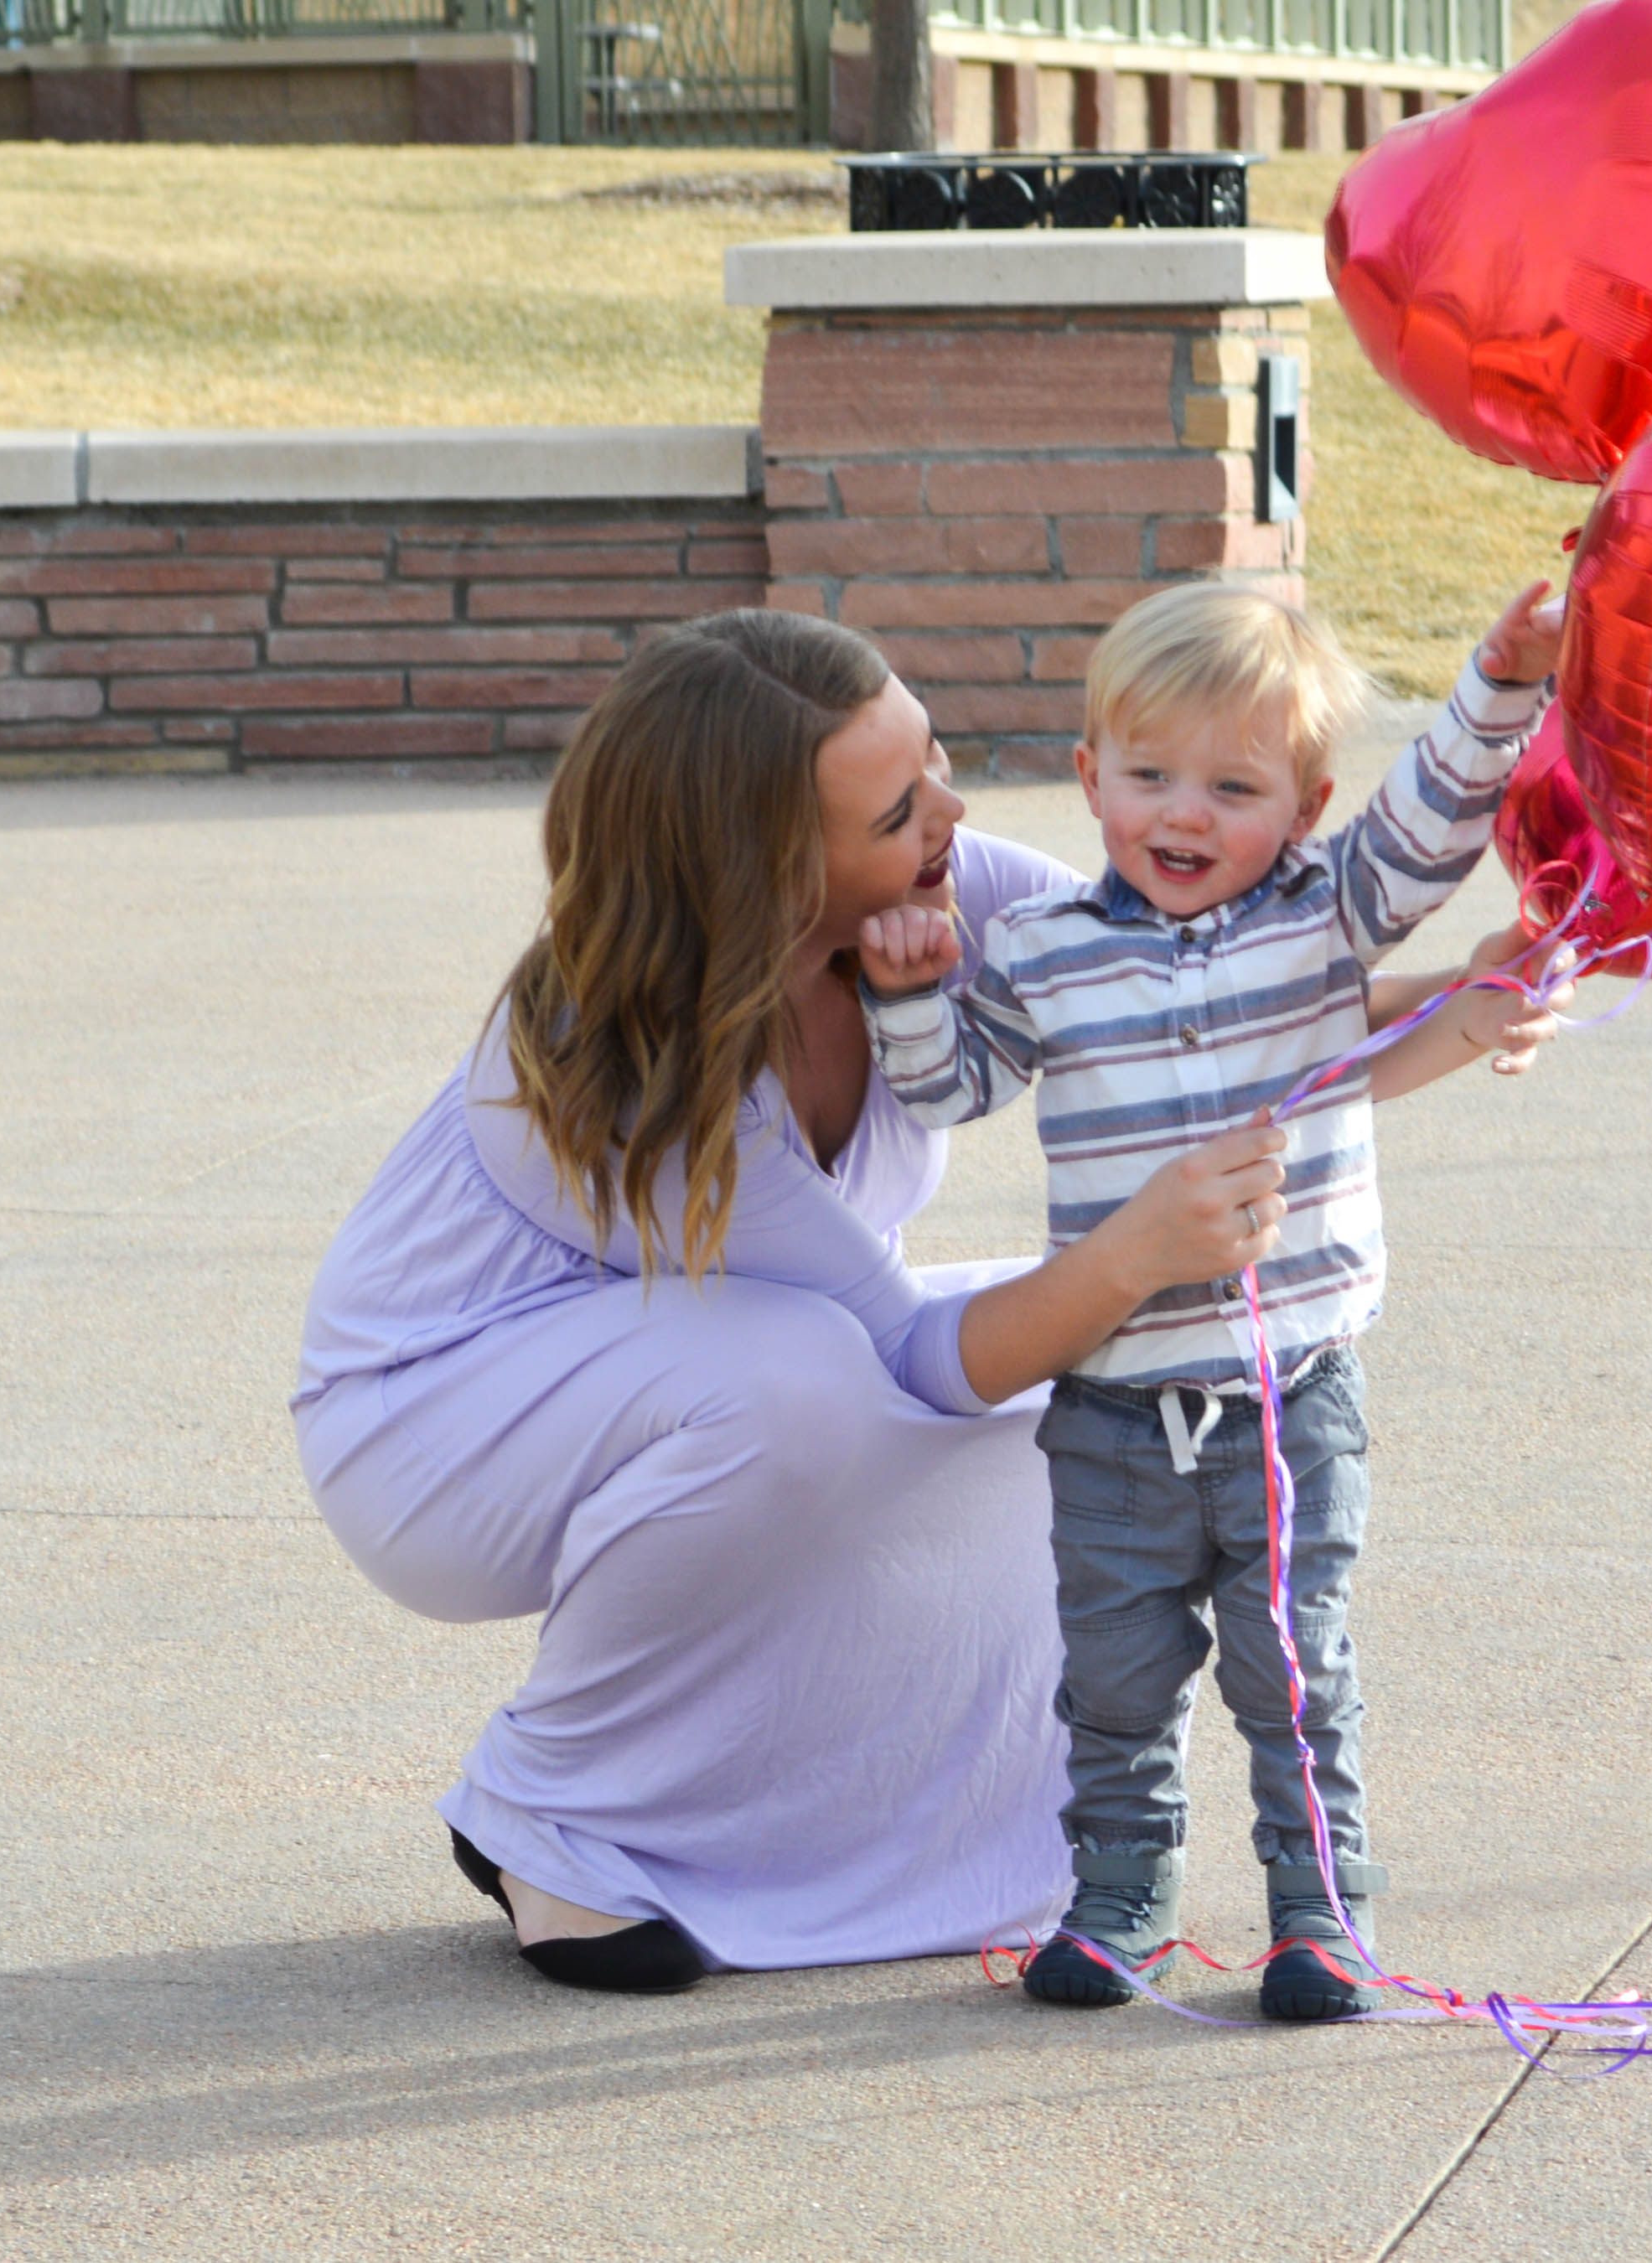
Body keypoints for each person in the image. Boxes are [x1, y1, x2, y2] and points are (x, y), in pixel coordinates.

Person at [293, 609, 1315, 1996]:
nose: (955, 810)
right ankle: (544, 1814)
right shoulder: (630, 1068)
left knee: (1077, 1373)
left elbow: (1195, 974)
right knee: (804, 1383)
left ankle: (911, 1827)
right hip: (432, 1427)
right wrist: (1132, 1254)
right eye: (901, 808)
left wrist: (1495, 976)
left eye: (937, 760)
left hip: (713, 1373)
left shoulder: (946, 892)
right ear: (771, 875)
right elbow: (907, 1358)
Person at [856, 577, 1569, 2021]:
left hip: (1286, 1396)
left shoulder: (1325, 917)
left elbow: (1433, 823)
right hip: (1114, 1411)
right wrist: (914, 992)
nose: (1185, 814)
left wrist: (1502, 674)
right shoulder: (1049, 946)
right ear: (1089, 779)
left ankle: (1323, 1919)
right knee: (1115, 1686)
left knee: (1292, 1673)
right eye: (1149, 776)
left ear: (1304, 808)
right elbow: (954, 1086)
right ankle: (1119, 1904)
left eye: (1235, 787)